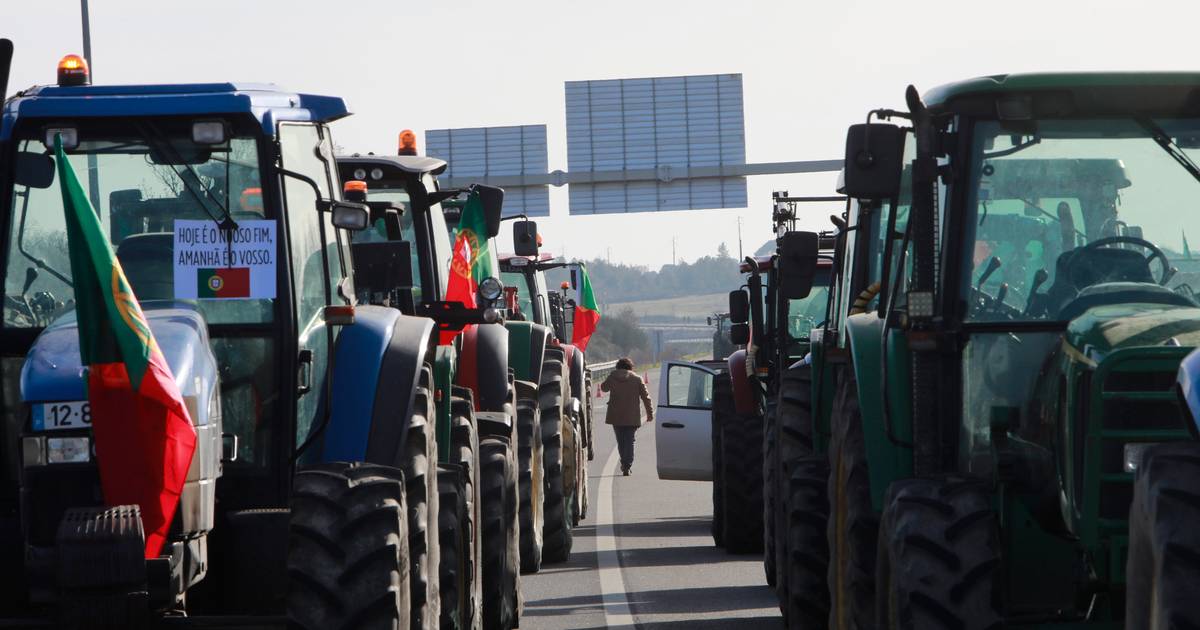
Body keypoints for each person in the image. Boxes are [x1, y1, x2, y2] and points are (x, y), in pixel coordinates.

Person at [601, 357, 654, 476]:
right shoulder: (637, 379)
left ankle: (624, 462)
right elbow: (646, 397)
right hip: (632, 415)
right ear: (630, 367)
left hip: (616, 415)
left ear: (618, 367)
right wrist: (649, 413)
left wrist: (610, 378)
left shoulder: (612, 377)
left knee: (621, 441)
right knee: (630, 440)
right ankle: (627, 465)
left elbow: (604, 388)